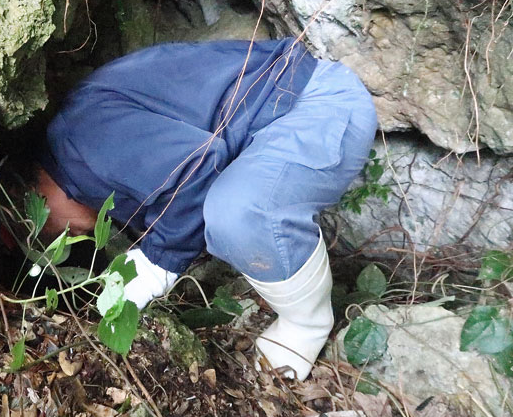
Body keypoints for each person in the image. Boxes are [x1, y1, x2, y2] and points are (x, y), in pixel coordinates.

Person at [36, 38, 377, 380]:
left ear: (34, 197)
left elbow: (197, 165)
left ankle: (308, 323)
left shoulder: (81, 137)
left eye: (47, 235)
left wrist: (161, 260)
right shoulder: (84, 154)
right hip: (282, 112)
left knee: (238, 212)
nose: (64, 241)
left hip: (314, 104)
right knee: (228, 210)